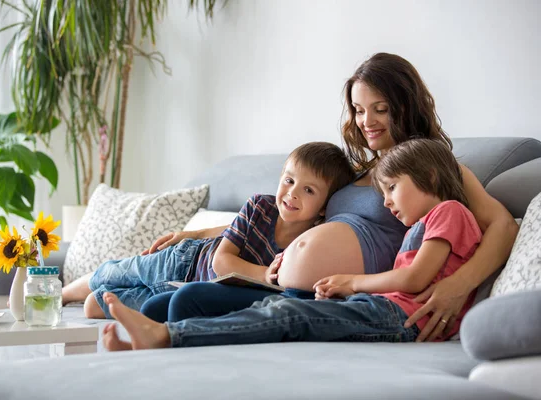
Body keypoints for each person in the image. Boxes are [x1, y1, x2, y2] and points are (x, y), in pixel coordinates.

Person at [136, 52, 518, 341]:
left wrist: (459, 284)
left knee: (182, 306)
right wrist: (193, 234)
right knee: (167, 304)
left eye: (380, 109)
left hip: (338, 298)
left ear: (407, 105)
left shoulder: (436, 172)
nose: (366, 121)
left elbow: (502, 225)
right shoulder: (357, 171)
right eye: (358, 109)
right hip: (290, 284)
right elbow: (285, 218)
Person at [100, 138, 485, 350]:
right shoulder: (419, 215)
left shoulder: (449, 210)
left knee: (286, 316)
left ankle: (165, 336)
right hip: (370, 303)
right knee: (273, 307)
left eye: (392, 190)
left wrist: (350, 281)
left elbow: (415, 279)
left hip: (394, 317)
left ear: (431, 176)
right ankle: (136, 333)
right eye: (382, 190)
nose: (385, 201)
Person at [62, 142, 355, 318]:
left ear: (323, 208)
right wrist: (264, 275)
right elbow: (221, 261)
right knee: (115, 273)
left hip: (190, 291)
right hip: (185, 261)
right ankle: (61, 294)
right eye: (288, 181)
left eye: (308, 190)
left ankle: (84, 296)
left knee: (93, 306)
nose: (292, 194)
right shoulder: (260, 207)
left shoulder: (309, 246)